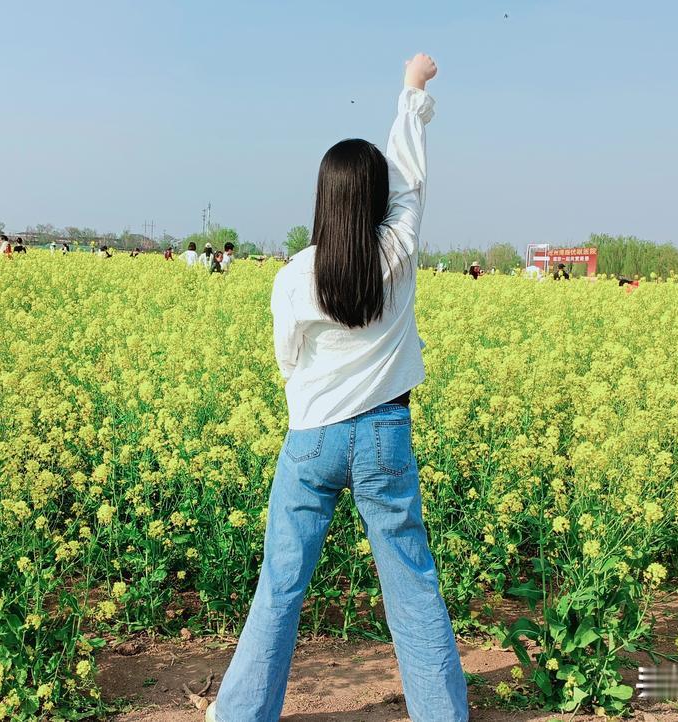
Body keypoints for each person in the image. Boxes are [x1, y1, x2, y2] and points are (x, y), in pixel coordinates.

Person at [209, 52, 465, 722]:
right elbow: (410, 178)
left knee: (282, 584)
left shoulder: (294, 275)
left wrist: (317, 401)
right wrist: (412, 92)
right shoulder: (397, 253)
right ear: (379, 202)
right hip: (385, 433)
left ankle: (240, 714)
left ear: (323, 199)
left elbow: (286, 359)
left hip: (313, 437)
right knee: (410, 582)